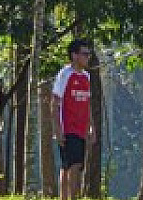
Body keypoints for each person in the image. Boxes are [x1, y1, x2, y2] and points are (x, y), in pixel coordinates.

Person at [52, 39, 96, 200]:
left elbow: (87, 103)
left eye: (89, 54)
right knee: (74, 165)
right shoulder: (65, 74)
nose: (88, 57)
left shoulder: (86, 77)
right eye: (85, 54)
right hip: (68, 128)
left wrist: (92, 127)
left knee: (68, 166)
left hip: (81, 129)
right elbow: (55, 102)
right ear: (74, 55)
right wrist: (57, 128)